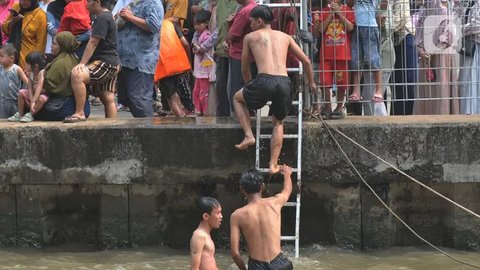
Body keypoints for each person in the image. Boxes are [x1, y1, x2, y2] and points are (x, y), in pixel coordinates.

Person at [233, 5, 315, 174]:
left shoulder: (250, 37)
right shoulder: (285, 37)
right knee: (278, 122)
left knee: (237, 98)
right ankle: (273, 164)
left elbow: (244, 69)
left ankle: (249, 135)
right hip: (283, 82)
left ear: (259, 21)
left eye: (252, 22)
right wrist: (312, 83)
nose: (251, 25)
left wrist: (249, 87)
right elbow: (306, 61)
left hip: (264, 80)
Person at [230, 166, 294, 270]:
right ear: (262, 186)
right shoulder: (274, 203)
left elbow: (235, 254)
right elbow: (287, 190)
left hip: (257, 266)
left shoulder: (237, 215)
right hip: (280, 264)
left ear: (242, 189)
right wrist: (287, 174)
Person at [66, 0, 120, 122]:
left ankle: (79, 112)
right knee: (106, 96)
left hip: (105, 62)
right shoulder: (105, 16)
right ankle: (112, 126)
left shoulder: (102, 18)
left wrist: (82, 63)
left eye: (89, 1)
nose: (86, 4)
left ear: (98, 2)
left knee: (77, 75)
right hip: (112, 61)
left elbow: (94, 41)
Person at [116, 0, 163, 117]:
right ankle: (142, 132)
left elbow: (154, 25)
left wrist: (130, 17)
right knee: (128, 99)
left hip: (141, 59)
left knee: (139, 99)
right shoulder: (131, 2)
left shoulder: (153, 2)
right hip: (125, 60)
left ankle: (148, 133)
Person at [34, 31, 91, 121]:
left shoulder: (60, 63)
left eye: (54, 44)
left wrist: (37, 78)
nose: (51, 46)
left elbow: (45, 87)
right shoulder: (75, 59)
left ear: (62, 46)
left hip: (64, 107)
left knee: (29, 111)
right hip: (85, 107)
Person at [314, 0, 355, 118]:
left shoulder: (348, 10)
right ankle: (327, 107)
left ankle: (339, 107)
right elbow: (321, 30)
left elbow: (350, 27)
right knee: (325, 82)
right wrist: (331, 14)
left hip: (342, 54)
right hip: (326, 54)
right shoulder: (325, 11)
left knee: (342, 82)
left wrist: (339, 13)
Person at [154, 19, 192, 117]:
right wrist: (189, 61)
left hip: (164, 67)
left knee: (171, 97)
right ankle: (182, 116)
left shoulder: (153, 25)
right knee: (175, 93)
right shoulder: (170, 24)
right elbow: (185, 43)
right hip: (179, 64)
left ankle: (180, 121)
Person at [226, 0, 258, 114]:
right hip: (251, 56)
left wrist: (230, 26)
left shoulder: (245, 11)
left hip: (239, 55)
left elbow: (232, 35)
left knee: (236, 92)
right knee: (248, 87)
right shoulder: (254, 7)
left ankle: (241, 121)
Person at [349, 0, 382, 103]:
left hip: (370, 26)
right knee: (356, 59)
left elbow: (381, 5)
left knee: (373, 59)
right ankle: (356, 90)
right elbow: (350, 3)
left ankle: (379, 89)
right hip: (356, 25)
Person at [1, 0, 47, 69]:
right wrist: (12, 22)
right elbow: (5, 29)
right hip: (10, 54)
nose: (23, 2)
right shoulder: (16, 7)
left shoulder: (41, 16)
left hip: (25, 59)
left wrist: (32, 64)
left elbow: (40, 44)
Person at [8, 51, 48, 122]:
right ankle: (20, 114)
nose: (25, 65)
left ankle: (31, 114)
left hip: (41, 94)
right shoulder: (30, 73)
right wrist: (32, 99)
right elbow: (29, 87)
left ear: (35, 66)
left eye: (27, 64)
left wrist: (33, 101)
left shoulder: (41, 73)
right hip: (33, 93)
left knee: (42, 99)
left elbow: (39, 87)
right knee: (21, 92)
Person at [192, 10, 216, 116]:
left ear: (206, 23)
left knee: (203, 92)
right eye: (195, 24)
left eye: (198, 24)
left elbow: (205, 49)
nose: (196, 27)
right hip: (200, 70)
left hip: (205, 71)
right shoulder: (198, 34)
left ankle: (205, 111)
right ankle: (200, 110)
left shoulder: (206, 35)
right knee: (197, 91)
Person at [190, 196, 222, 270]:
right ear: (206, 216)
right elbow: (194, 268)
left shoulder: (206, 235)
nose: (221, 216)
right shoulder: (199, 236)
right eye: (218, 213)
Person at [0, 44, 28, 118]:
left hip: (15, 102)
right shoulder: (0, 68)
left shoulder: (16, 69)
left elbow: (27, 82)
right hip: (2, 102)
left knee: (14, 119)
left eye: (1, 56)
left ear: (11, 58)